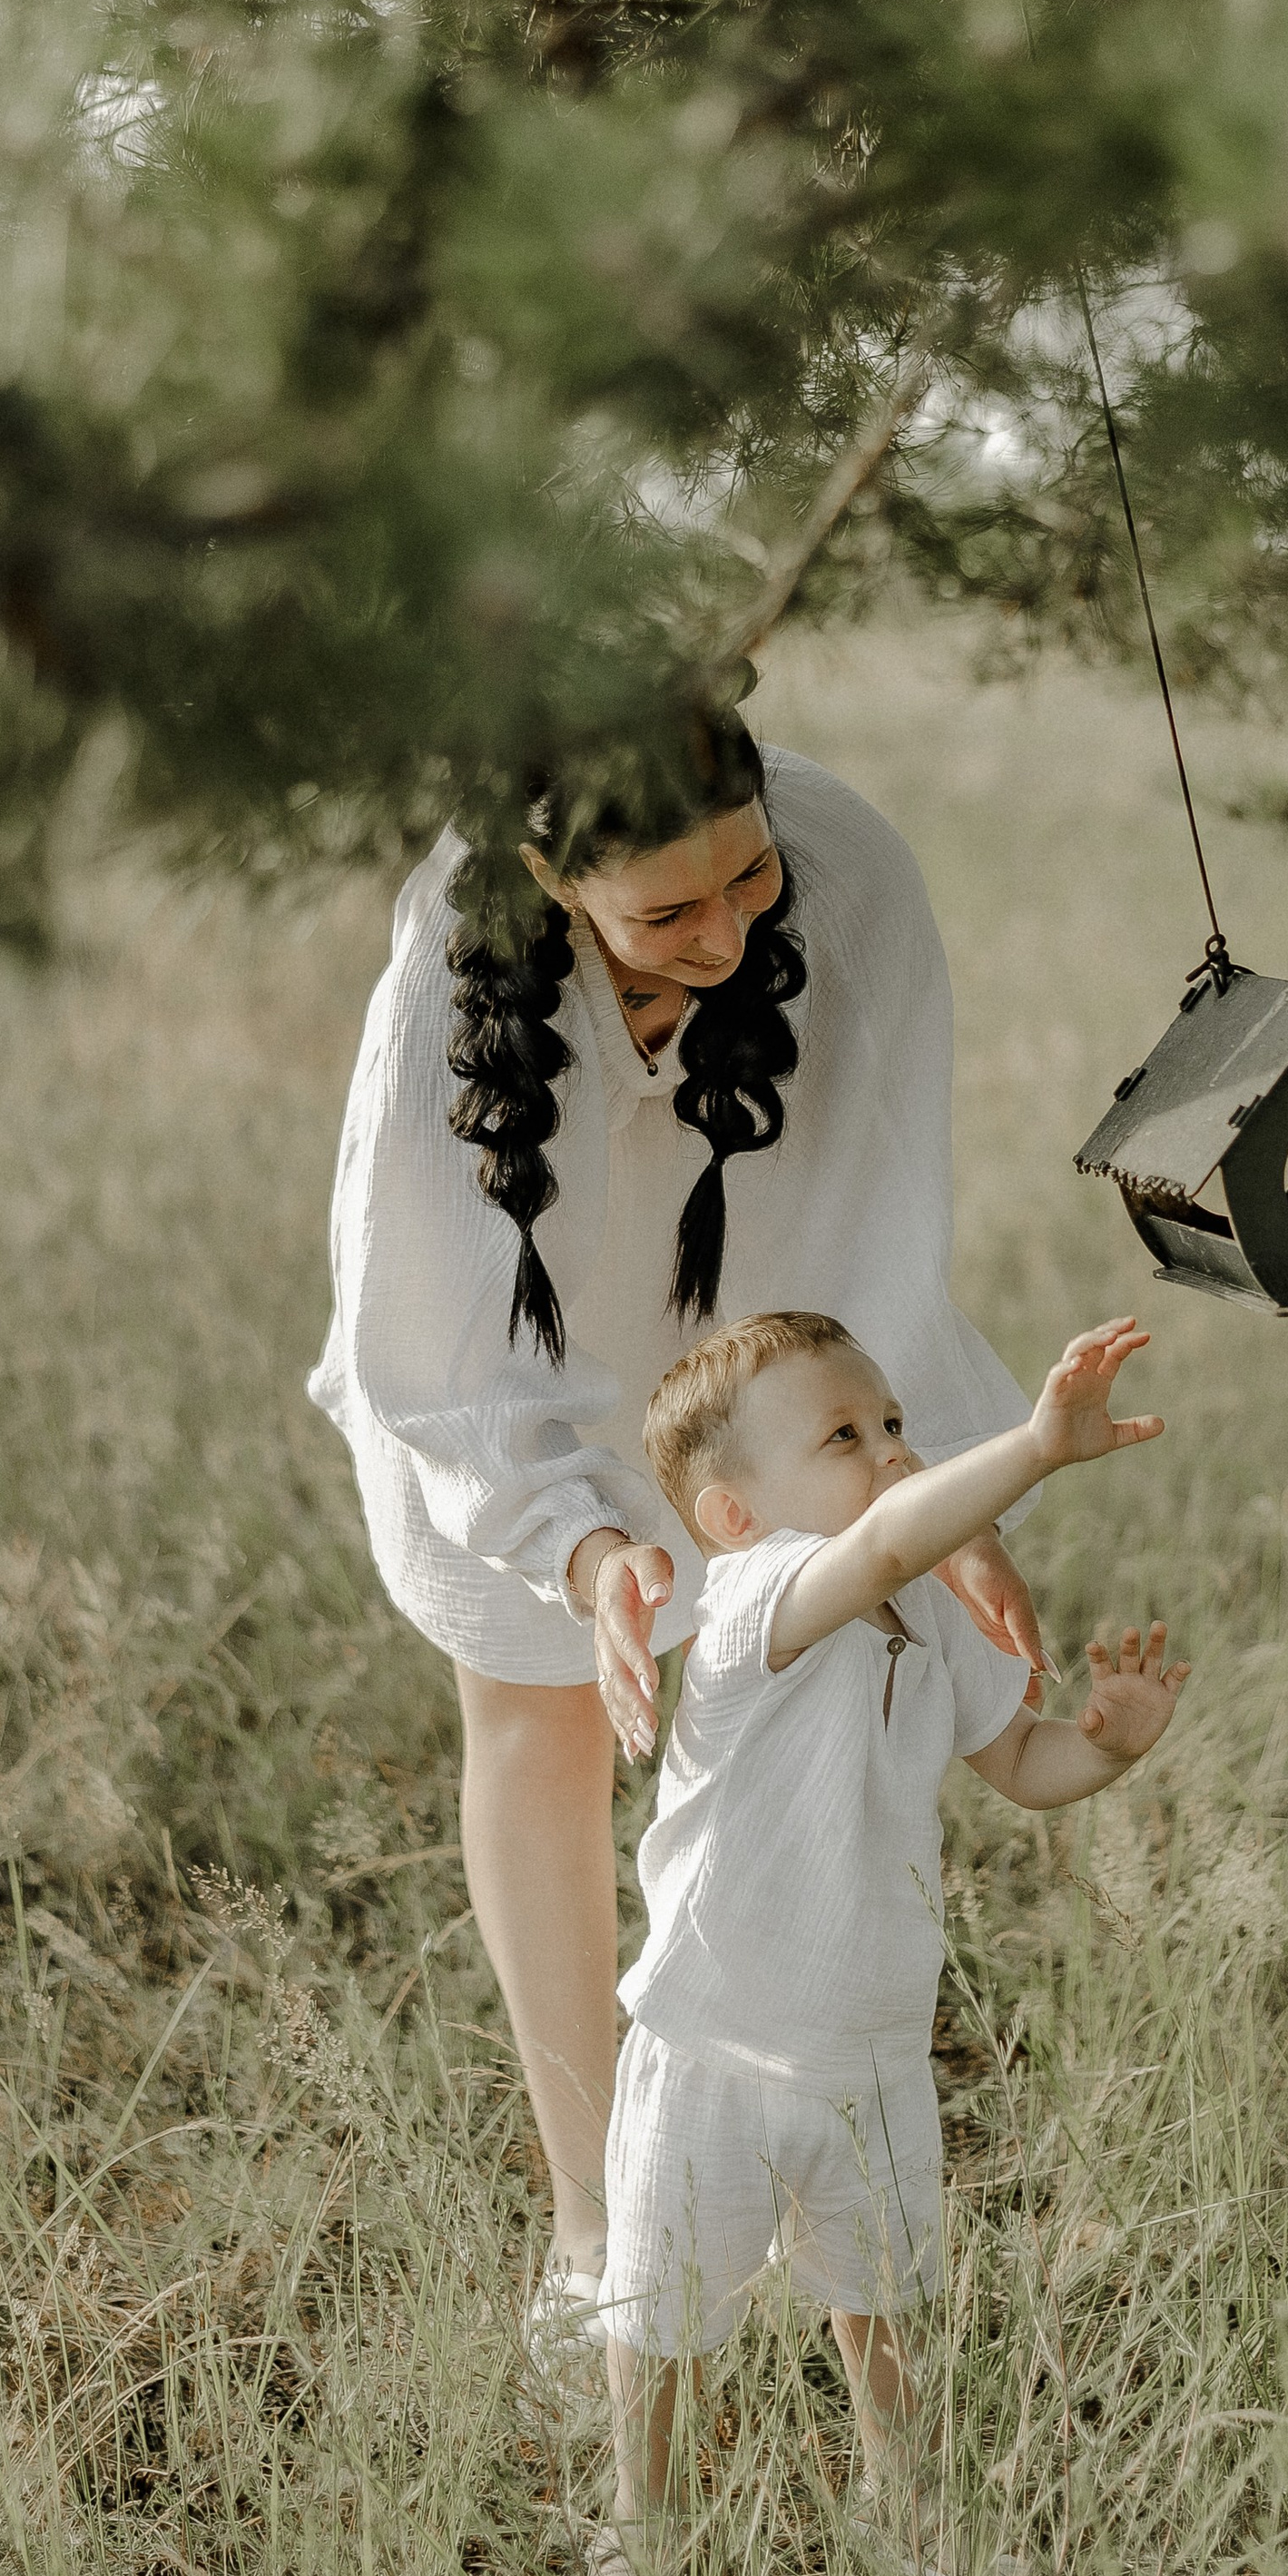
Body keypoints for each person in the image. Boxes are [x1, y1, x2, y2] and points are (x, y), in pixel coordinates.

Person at [308, 705, 1043, 2322]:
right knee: (542, 1715)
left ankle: (785, 2150)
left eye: (748, 879)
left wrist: (922, 1490)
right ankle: (601, 2228)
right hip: (517, 1340)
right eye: (667, 912)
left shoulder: (849, 880)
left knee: (796, 1703)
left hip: (761, 1320)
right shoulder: (456, 950)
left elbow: (876, 1233)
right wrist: (585, 1548)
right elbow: (435, 1331)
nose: (726, 935)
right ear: (551, 881)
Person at [587, 1306, 1185, 2576]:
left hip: (872, 2048)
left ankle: (904, 2507)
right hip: (713, 2044)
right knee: (664, 2314)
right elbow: (887, 1543)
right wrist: (1034, 1447)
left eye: (897, 1423)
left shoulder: (932, 1614)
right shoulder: (754, 1604)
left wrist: (1107, 1749)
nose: (893, 1451)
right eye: (845, 1436)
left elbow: (1018, 1764)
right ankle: (642, 2525)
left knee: (889, 2304)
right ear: (734, 1516)